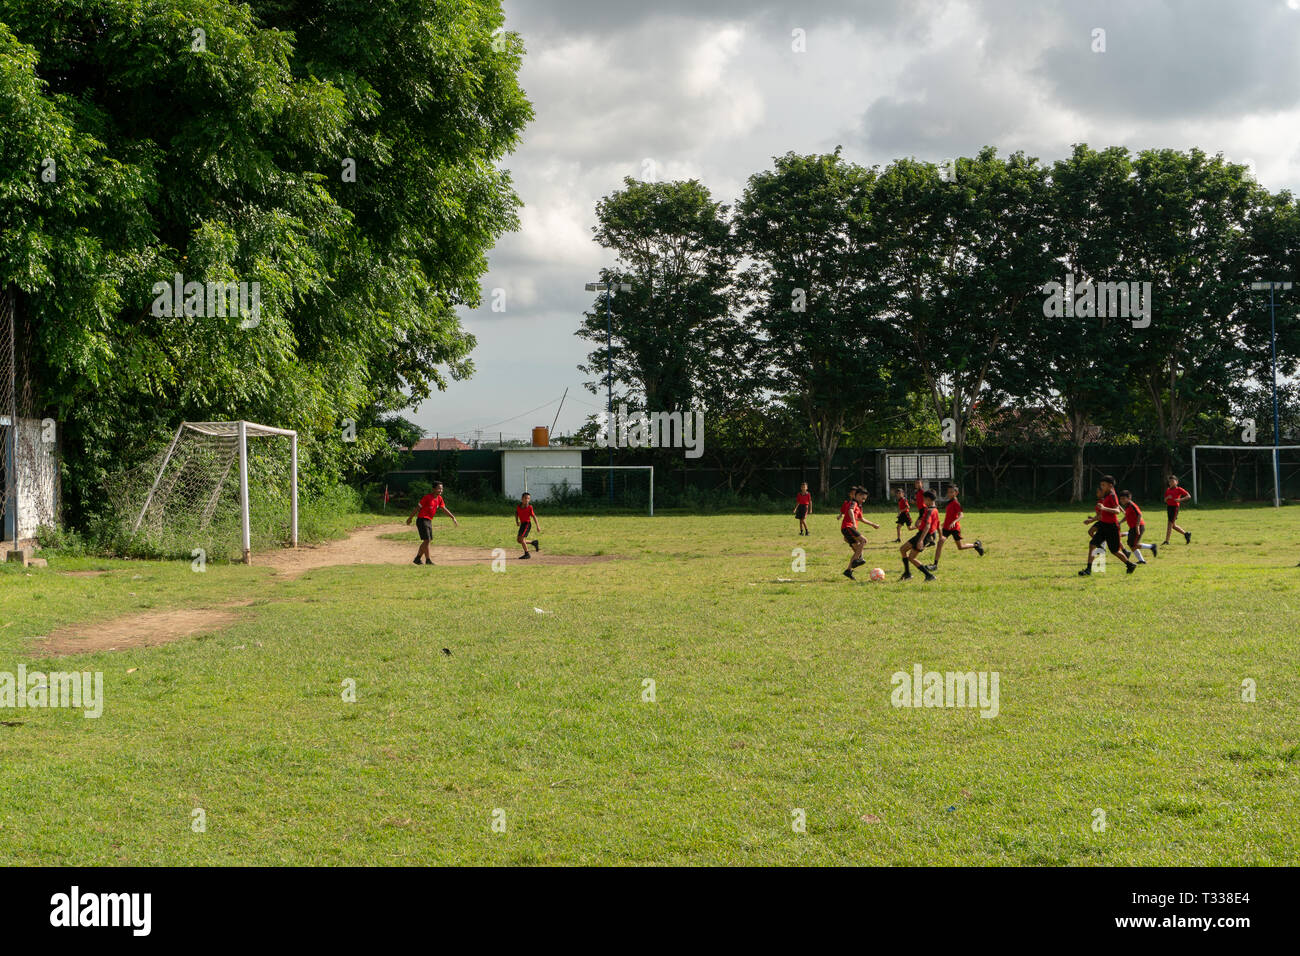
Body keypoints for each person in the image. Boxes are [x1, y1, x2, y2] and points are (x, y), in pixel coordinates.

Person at [1081, 476, 1136, 576]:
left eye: (1103, 485)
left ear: (1110, 486)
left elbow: (1117, 511)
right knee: (1092, 544)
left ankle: (1130, 564)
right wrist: (1092, 520)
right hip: (1103, 525)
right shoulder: (1107, 494)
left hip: (1112, 527)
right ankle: (1088, 570)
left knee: (1114, 551)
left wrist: (1104, 507)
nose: (1101, 487)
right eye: (1101, 485)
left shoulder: (1112, 495)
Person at [928, 484, 984, 570]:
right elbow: (950, 515)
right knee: (940, 543)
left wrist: (954, 522)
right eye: (948, 492)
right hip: (946, 528)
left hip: (954, 528)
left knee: (960, 547)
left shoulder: (956, 503)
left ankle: (975, 545)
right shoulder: (949, 502)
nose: (949, 494)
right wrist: (944, 523)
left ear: (956, 493)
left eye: (951, 492)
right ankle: (935, 565)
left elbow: (961, 515)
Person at [406, 481, 458, 565]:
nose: (440, 490)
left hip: (428, 520)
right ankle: (421, 559)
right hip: (422, 520)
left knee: (427, 540)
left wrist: (452, 517)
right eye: (438, 488)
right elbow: (417, 508)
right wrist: (410, 518)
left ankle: (423, 560)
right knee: (427, 540)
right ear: (433, 489)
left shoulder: (439, 499)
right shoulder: (427, 497)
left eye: (441, 489)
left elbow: (444, 509)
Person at [840, 486, 880, 580]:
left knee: (858, 549)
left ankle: (848, 570)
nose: (864, 500)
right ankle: (858, 560)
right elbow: (850, 510)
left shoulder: (859, 506)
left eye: (865, 499)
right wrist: (854, 522)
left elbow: (861, 518)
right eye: (862, 498)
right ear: (857, 495)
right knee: (864, 541)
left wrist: (873, 524)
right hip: (848, 527)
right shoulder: (853, 503)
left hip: (848, 528)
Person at [901, 490, 939, 582]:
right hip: (921, 534)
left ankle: (929, 575)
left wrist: (921, 540)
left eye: (924, 500)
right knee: (903, 549)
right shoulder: (934, 509)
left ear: (928, 499)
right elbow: (935, 523)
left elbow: (928, 526)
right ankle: (907, 573)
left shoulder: (930, 510)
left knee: (912, 558)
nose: (923, 501)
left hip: (923, 536)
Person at [1118, 490, 1156, 564]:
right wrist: (1120, 522)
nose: (1121, 500)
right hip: (1132, 528)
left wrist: (1137, 526)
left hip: (1138, 527)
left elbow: (1139, 514)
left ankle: (1151, 547)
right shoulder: (1127, 506)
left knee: (1133, 545)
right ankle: (1142, 560)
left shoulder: (1132, 505)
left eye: (1123, 498)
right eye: (1121, 499)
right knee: (1131, 544)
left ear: (1129, 498)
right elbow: (1127, 516)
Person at [1163, 475, 1191, 545]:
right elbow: (1165, 500)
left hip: (1175, 508)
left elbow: (1188, 496)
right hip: (1169, 507)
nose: (1171, 483)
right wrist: (1167, 498)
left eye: (1172, 481)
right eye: (1170, 482)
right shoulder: (1168, 490)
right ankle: (1186, 534)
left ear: (1177, 482)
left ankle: (1167, 541)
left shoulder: (1179, 489)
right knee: (1173, 526)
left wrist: (1180, 500)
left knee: (1169, 524)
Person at [515, 492, 540, 559]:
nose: (527, 500)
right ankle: (533, 542)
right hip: (522, 524)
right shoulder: (519, 506)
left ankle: (527, 554)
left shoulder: (529, 507)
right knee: (519, 540)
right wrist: (517, 521)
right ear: (522, 499)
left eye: (528, 498)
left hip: (527, 524)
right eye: (525, 498)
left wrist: (537, 526)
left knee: (522, 539)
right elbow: (517, 513)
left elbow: (534, 516)